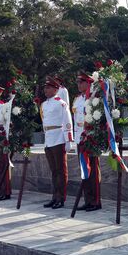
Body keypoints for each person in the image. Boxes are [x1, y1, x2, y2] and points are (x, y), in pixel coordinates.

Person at [41, 76, 73, 209]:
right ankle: (54, 196)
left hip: (59, 138)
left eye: (48, 88)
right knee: (54, 171)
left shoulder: (61, 103)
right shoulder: (44, 104)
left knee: (61, 171)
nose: (46, 90)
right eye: (45, 88)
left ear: (56, 89)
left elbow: (67, 121)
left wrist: (68, 140)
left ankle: (61, 198)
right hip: (48, 139)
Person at [73, 71, 102, 212]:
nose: (79, 85)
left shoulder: (93, 98)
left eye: (81, 82)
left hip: (91, 137)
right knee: (84, 170)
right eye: (78, 82)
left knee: (93, 171)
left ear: (88, 83)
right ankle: (87, 199)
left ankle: (95, 201)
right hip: (80, 136)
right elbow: (75, 121)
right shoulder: (77, 99)